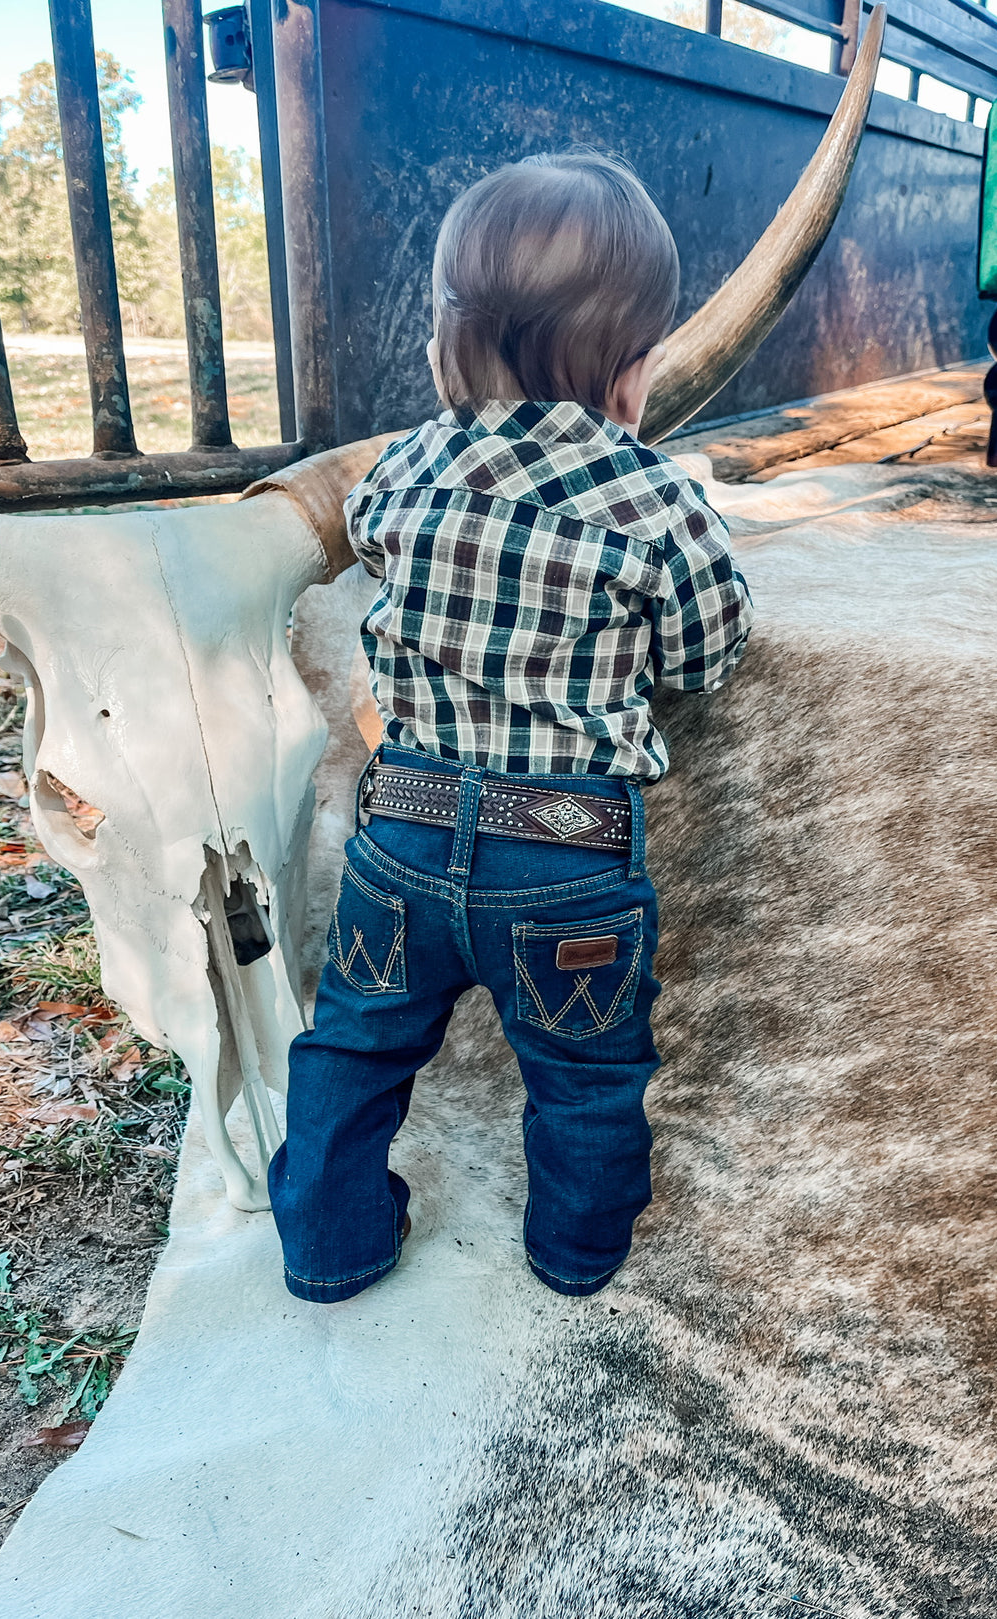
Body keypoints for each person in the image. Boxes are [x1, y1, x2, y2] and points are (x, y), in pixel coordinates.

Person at [268, 151, 754, 1302]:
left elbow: (379, 548)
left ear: (442, 346)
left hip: (405, 837)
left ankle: (327, 1246)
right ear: (633, 373)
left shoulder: (401, 469)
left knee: (351, 1047)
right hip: (567, 854)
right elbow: (705, 653)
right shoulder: (653, 496)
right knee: (585, 1075)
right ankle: (573, 1255)